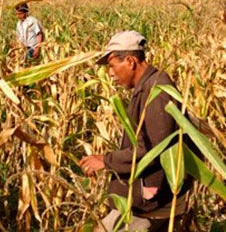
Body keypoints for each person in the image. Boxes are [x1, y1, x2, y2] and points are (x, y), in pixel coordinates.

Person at [80, 30, 186, 231]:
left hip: (151, 203)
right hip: (144, 198)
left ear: (130, 61)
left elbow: (154, 150)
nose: (110, 74)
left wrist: (106, 161)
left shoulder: (158, 92)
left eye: (112, 66)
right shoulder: (146, 87)